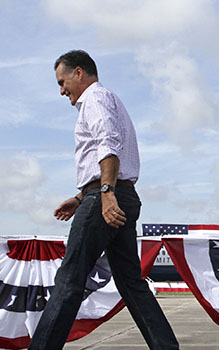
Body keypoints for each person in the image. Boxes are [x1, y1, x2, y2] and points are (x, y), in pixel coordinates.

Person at [29, 50, 179, 350]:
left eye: (62, 82)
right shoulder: (111, 100)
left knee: (69, 281)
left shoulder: (94, 99)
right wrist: (80, 196)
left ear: (79, 73)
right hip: (117, 194)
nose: (62, 91)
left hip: (106, 197)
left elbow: (107, 143)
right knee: (132, 284)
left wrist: (105, 194)